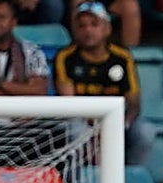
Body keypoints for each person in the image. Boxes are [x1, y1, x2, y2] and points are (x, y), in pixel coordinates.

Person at [55, 1, 154, 166]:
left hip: (116, 120)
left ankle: (130, 175)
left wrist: (119, 123)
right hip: (82, 120)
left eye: (94, 24)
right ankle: (89, 175)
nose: (88, 30)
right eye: (82, 26)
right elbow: (69, 104)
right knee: (76, 130)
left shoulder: (123, 57)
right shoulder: (65, 57)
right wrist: (98, 126)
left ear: (107, 28)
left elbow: (134, 103)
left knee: (145, 131)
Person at [0, 0, 49, 97]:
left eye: (2, 17)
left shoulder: (32, 50)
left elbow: (39, 90)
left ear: (14, 22)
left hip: (23, 107)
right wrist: (21, 90)